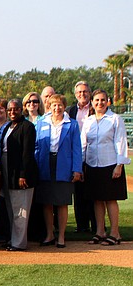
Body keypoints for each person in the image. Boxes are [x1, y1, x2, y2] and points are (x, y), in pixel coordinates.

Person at [81, 89, 128, 246]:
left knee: (110, 199)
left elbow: (120, 142)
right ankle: (100, 232)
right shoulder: (89, 121)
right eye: (96, 100)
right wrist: (81, 165)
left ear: (108, 101)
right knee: (97, 200)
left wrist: (119, 165)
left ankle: (115, 233)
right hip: (92, 164)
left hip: (110, 164)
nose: (99, 103)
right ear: (92, 103)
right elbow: (83, 144)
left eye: (102, 100)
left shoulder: (115, 119)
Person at [34, 94, 82, 248]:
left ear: (64, 106)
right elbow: (36, 146)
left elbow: (76, 148)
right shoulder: (41, 123)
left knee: (62, 202)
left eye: (60, 105)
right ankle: (49, 234)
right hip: (44, 164)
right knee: (47, 202)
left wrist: (77, 169)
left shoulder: (72, 124)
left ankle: (61, 236)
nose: (57, 108)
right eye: (53, 105)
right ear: (49, 106)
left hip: (64, 165)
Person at [0, 99, 38, 251]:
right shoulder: (8, 126)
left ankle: (19, 243)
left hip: (21, 171)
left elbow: (27, 153)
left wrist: (23, 175)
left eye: (16, 109)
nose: (12, 112)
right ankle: (13, 239)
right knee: (10, 207)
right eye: (10, 110)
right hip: (8, 169)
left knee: (21, 209)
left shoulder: (28, 127)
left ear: (22, 110)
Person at [67, 81, 94, 233]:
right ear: (75, 94)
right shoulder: (70, 111)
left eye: (85, 92)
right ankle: (82, 226)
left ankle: (96, 226)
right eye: (79, 92)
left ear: (89, 93)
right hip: (76, 155)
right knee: (78, 193)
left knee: (93, 192)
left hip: (93, 154)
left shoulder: (95, 108)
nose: (82, 94)